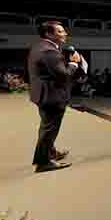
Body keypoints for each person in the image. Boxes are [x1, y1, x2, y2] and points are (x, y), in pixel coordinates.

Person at [27, 20, 83, 173]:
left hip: (43, 93)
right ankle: (43, 162)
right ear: (48, 34)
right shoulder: (49, 51)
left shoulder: (40, 46)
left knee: (47, 126)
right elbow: (64, 76)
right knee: (49, 129)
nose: (65, 33)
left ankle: (50, 153)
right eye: (60, 31)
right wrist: (73, 64)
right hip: (51, 95)